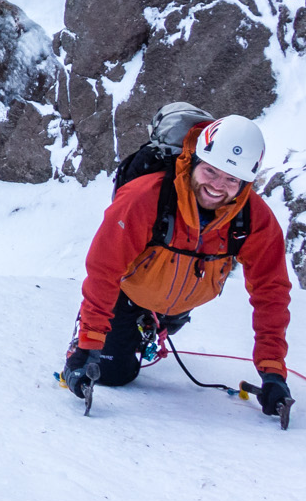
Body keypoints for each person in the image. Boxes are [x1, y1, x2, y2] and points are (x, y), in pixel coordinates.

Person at [62, 112, 294, 418]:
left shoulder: (253, 219)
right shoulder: (146, 197)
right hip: (127, 290)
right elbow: (105, 269)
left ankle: (154, 323)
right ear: (196, 160)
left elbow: (271, 292)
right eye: (211, 171)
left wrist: (273, 372)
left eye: (231, 179)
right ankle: (122, 326)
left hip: (178, 301)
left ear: (245, 183)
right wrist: (88, 347)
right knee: (112, 372)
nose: (217, 186)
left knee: (151, 327)